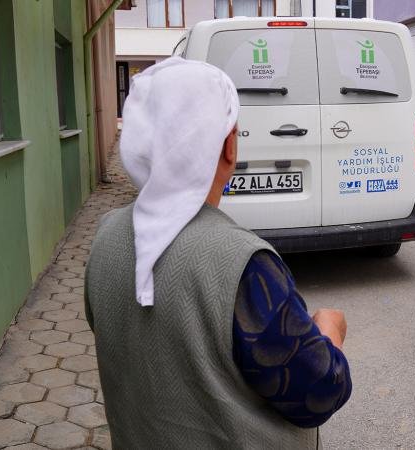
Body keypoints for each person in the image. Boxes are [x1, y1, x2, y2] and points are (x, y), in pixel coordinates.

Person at [84, 57, 351, 448]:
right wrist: (330, 330)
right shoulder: (242, 262)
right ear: (229, 146)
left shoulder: (106, 236)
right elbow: (318, 393)